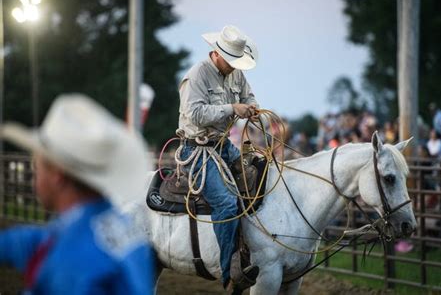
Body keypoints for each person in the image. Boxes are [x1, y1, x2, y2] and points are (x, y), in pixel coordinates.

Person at [0, 94, 156, 294]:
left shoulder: (69, 261)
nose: (34, 173)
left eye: (36, 164)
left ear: (57, 174)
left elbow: (64, 250)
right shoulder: (124, 224)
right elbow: (38, 240)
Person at [176, 25, 259, 289]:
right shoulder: (197, 74)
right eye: (232, 61)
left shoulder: (236, 75)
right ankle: (229, 269)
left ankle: (255, 247)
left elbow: (249, 96)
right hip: (197, 148)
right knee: (225, 203)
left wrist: (252, 107)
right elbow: (195, 114)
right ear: (216, 53)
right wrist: (232, 108)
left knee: (260, 176)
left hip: (224, 146)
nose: (235, 66)